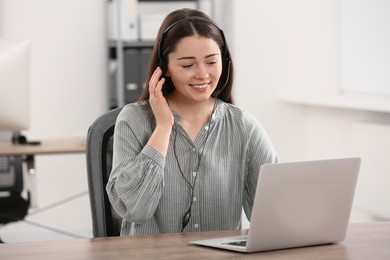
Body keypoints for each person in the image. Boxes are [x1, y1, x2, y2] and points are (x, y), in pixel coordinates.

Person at [106, 8, 278, 236]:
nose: (202, 74)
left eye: (211, 62)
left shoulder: (243, 126)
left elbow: (273, 211)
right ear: (164, 68)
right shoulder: (134, 120)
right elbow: (133, 208)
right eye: (188, 65)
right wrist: (163, 127)